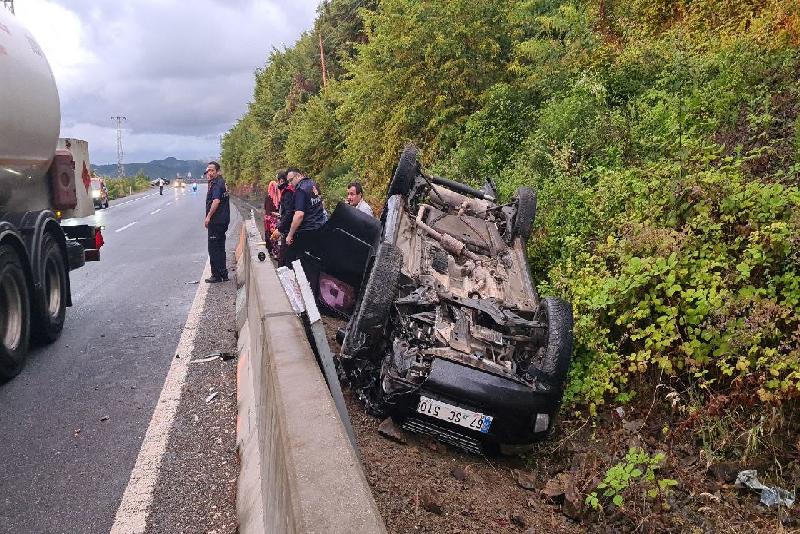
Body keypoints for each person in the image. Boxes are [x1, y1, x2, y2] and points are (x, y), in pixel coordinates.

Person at [284, 167, 327, 267]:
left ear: (298, 175)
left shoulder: (300, 190)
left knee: (293, 260)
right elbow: (321, 202)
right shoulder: (313, 183)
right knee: (314, 261)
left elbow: (299, 215)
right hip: (320, 228)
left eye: (291, 180)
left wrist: (290, 234)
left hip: (307, 231)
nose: (290, 184)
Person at [204, 161, 230, 283]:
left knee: (214, 248)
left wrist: (208, 216)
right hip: (223, 220)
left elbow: (216, 201)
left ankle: (217, 275)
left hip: (217, 221)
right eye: (208, 170)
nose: (209, 172)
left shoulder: (217, 184)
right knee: (220, 246)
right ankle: (223, 274)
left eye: (212, 170)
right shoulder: (221, 182)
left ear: (217, 171)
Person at [271, 170, 295, 267]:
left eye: (277, 181)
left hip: (289, 231)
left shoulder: (288, 193)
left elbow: (289, 213)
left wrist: (279, 229)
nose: (276, 184)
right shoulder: (288, 191)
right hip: (288, 229)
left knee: (285, 260)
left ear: (281, 181)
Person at [263, 173, 283, 259]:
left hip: (268, 220)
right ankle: (276, 252)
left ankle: (270, 251)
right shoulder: (279, 197)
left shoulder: (268, 197)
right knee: (275, 236)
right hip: (275, 220)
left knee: (269, 235)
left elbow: (265, 209)